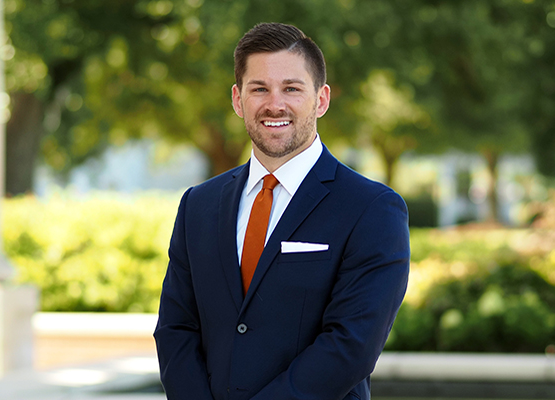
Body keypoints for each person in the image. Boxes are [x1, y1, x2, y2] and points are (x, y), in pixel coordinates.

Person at [154, 22, 410, 400]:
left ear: (321, 99)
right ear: (238, 100)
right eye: (259, 89)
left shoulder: (372, 209)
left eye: (292, 88)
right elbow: (176, 329)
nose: (275, 103)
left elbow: (350, 346)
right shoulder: (199, 205)